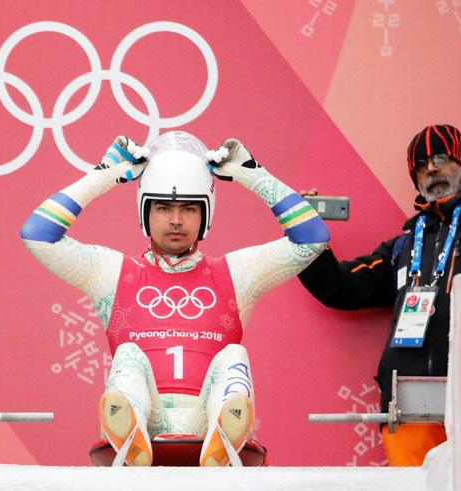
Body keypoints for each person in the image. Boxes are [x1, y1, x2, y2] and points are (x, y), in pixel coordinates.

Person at [21, 131, 329, 466]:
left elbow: (312, 239)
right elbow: (38, 236)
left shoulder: (236, 273)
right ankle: (132, 433)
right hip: (144, 422)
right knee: (128, 354)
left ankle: (222, 437)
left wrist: (252, 174)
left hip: (206, 421)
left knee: (233, 355)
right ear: (145, 213)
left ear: (206, 215)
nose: (176, 220)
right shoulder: (112, 272)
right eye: (163, 208)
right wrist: (105, 176)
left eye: (189, 209)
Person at [298, 124, 461, 466]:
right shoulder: (404, 246)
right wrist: (304, 234)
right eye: (421, 164)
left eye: (440, 157)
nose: (431, 168)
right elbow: (341, 287)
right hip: (408, 404)